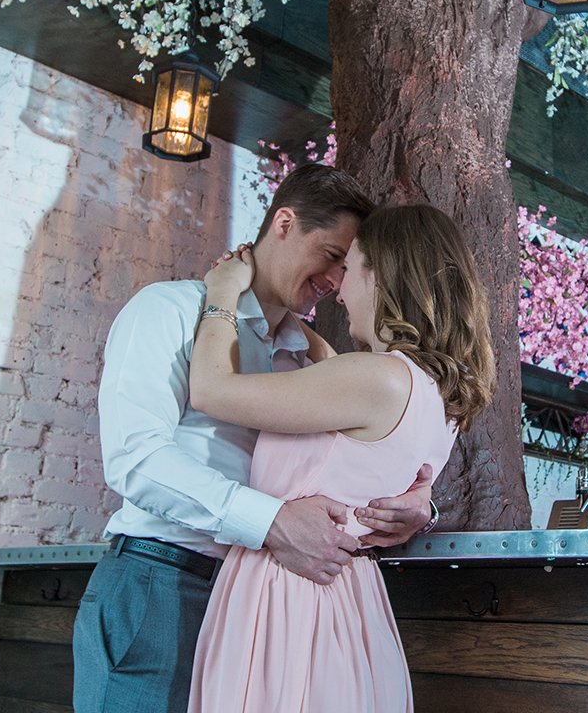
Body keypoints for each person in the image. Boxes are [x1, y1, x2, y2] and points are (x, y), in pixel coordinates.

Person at [73, 165, 435, 713]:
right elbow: (134, 459)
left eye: (349, 266)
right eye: (331, 254)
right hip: (164, 584)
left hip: (260, 604)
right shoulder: (167, 310)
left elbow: (358, 459)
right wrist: (271, 522)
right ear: (284, 223)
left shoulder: (312, 358)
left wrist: (417, 509)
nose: (338, 280)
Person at [186, 202, 496, 713]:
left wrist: (221, 294)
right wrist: (281, 313)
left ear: (382, 276)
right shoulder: (438, 397)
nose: (338, 286)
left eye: (349, 268)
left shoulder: (374, 379)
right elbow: (335, 393)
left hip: (290, 595)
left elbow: (211, 390)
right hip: (349, 597)